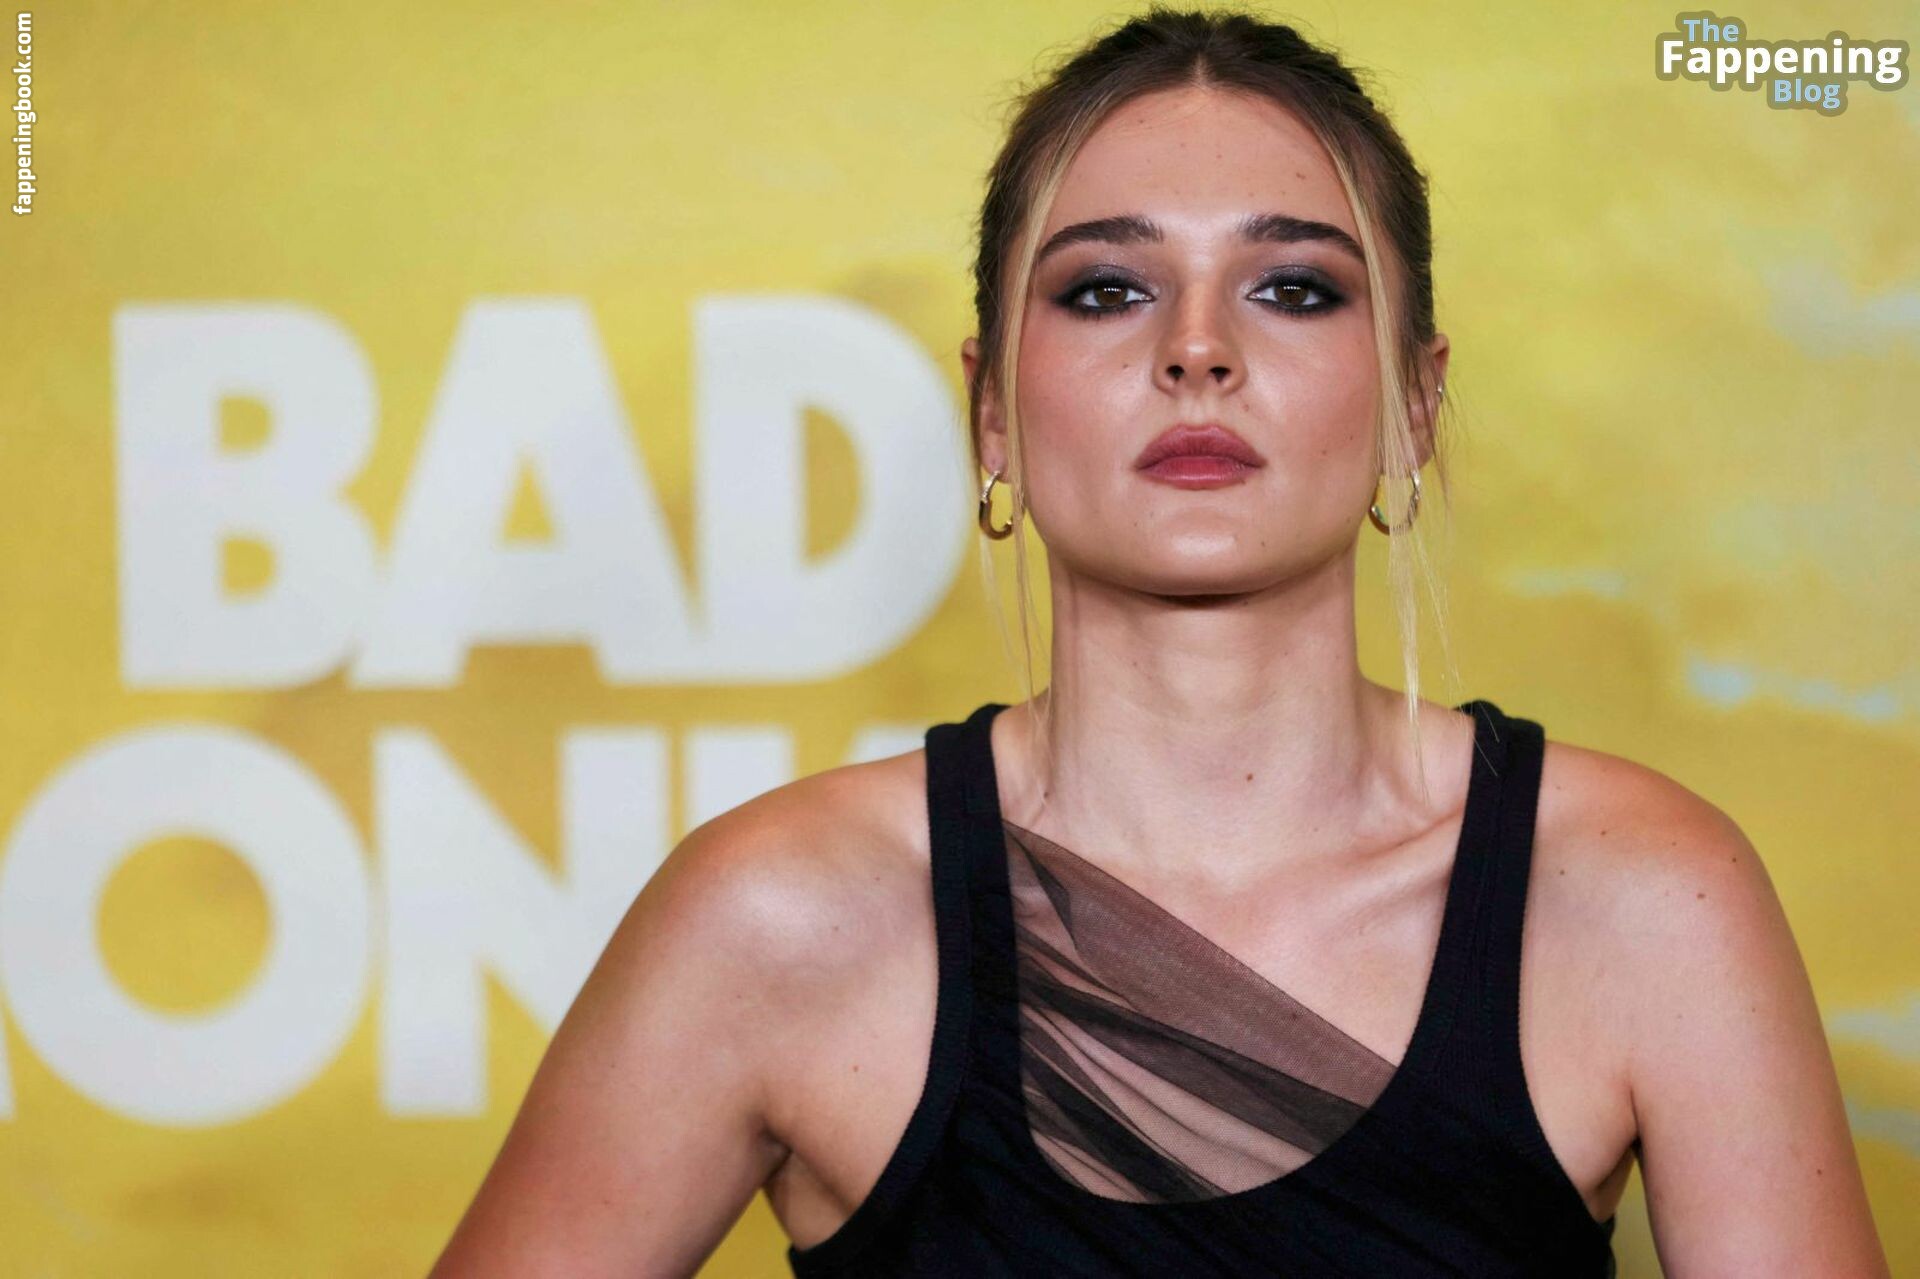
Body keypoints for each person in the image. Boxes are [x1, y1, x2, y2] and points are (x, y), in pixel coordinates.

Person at [429, 8, 1891, 1277]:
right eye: (1106, 290)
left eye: (1294, 287)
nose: (1197, 349)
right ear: (991, 409)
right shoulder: (779, 918)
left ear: (1414, 404)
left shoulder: (1643, 899)